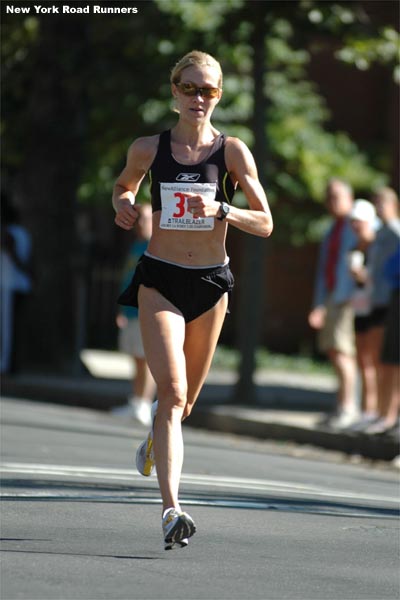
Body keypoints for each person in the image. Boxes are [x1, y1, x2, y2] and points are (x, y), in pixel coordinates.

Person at [112, 50, 273, 550]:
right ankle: (171, 510)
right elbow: (123, 186)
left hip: (210, 283)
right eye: (190, 88)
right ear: (174, 91)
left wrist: (224, 207)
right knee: (173, 392)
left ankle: (155, 444)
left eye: (208, 90)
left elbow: (265, 222)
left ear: (219, 95)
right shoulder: (148, 148)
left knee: (184, 407)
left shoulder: (232, 153)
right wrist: (123, 204)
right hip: (160, 278)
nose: (199, 98)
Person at [308, 178, 358, 429]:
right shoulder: (332, 229)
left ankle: (349, 408)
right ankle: (341, 405)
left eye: (336, 196)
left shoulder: (356, 225)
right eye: (328, 196)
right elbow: (323, 270)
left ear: (349, 197)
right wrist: (319, 304)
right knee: (334, 351)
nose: (331, 201)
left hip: (347, 298)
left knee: (343, 352)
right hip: (331, 297)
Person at [112, 204, 156, 425]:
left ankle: (144, 405)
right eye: (139, 219)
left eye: (145, 219)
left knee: (146, 360)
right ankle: (136, 402)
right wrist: (121, 310)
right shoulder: (137, 245)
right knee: (136, 360)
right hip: (130, 312)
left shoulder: (155, 246)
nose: (140, 223)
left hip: (145, 312)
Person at [363, 187, 400, 434]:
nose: (377, 209)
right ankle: (381, 413)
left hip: (391, 302)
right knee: (383, 360)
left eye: (381, 204)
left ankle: (389, 416)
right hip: (384, 300)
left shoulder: (395, 232)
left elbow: (391, 271)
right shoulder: (381, 232)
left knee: (392, 361)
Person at [346, 199, 379, 431]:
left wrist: (364, 275)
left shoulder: (378, 246)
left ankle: (373, 410)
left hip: (376, 309)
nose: (356, 227)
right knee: (362, 361)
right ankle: (367, 411)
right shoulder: (354, 249)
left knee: (374, 363)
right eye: (353, 222)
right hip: (359, 308)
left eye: (360, 222)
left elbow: (377, 279)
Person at [0, 199, 33, 374]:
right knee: (14, 328)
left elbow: (14, 256)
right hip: (20, 285)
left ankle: (7, 365)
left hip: (11, 284)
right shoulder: (24, 233)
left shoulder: (9, 234)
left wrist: (23, 269)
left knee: (8, 330)